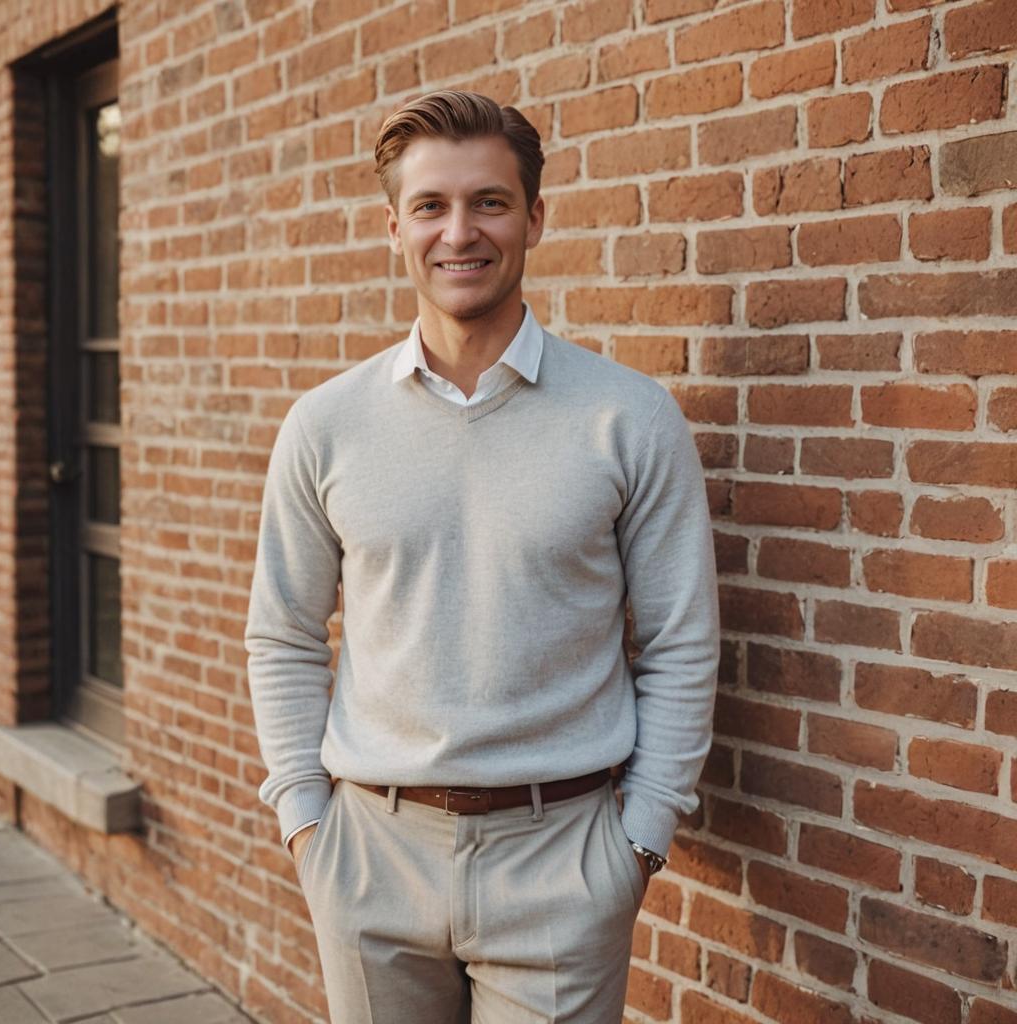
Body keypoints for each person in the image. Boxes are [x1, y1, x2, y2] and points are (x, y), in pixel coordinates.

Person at [244, 89, 719, 1023]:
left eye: (489, 202)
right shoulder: (326, 425)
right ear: (394, 227)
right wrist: (307, 824)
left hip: (566, 861)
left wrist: (641, 841)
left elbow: (680, 641)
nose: (459, 231)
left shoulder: (628, 417)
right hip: (369, 854)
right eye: (430, 206)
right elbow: (285, 633)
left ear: (534, 217)